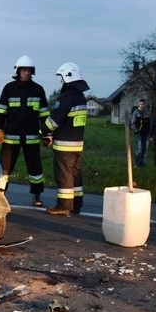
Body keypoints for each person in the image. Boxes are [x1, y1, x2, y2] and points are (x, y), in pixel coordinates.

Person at [0, 55, 49, 207]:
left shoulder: (38, 90)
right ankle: (0, 194)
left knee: (35, 168)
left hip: (31, 137)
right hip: (11, 138)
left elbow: (44, 115)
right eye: (23, 70)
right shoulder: (9, 89)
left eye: (29, 70)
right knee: (5, 169)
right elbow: (1, 111)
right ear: (18, 71)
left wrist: (47, 134)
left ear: (32, 72)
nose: (26, 73)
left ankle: (37, 196)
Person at [42, 62, 88, 216]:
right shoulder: (81, 97)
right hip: (77, 145)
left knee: (64, 175)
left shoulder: (66, 98)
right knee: (76, 175)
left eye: (61, 78)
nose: (61, 81)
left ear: (68, 77)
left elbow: (54, 121)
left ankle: (64, 205)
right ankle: (76, 205)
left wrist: (44, 130)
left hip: (64, 146)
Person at [129, 98, 150, 167]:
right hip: (138, 134)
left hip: (146, 133)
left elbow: (149, 123)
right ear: (139, 104)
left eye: (143, 104)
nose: (141, 105)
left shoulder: (147, 112)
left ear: (145, 104)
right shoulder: (135, 112)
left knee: (145, 148)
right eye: (140, 104)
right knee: (139, 148)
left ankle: (142, 162)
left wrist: (149, 131)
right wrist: (136, 131)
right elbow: (132, 123)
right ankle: (137, 163)